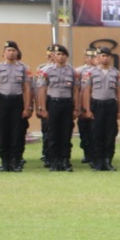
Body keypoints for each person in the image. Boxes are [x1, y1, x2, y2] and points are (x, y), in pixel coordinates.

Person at [0, 40, 31, 172]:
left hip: (17, 102)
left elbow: (26, 89)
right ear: (3, 53)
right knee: (3, 133)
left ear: (17, 52)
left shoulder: (23, 68)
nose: (11, 52)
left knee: (17, 133)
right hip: (3, 102)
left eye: (13, 50)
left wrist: (27, 107)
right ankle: (5, 161)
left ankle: (16, 161)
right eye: (8, 50)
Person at [37, 44, 78, 172]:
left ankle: (65, 161)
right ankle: (54, 161)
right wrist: (42, 108)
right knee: (53, 133)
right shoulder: (46, 71)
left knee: (66, 134)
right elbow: (42, 90)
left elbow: (76, 91)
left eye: (63, 55)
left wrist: (77, 108)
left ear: (67, 56)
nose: (61, 57)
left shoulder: (72, 71)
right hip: (53, 104)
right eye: (58, 54)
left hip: (67, 104)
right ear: (54, 56)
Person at [81, 46, 120, 171]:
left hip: (110, 105)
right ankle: (97, 162)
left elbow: (118, 92)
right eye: (102, 56)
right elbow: (87, 91)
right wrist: (87, 109)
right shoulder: (91, 72)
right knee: (96, 134)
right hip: (96, 105)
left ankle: (108, 161)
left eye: (107, 56)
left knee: (110, 134)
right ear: (98, 57)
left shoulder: (115, 72)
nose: (105, 58)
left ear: (110, 58)